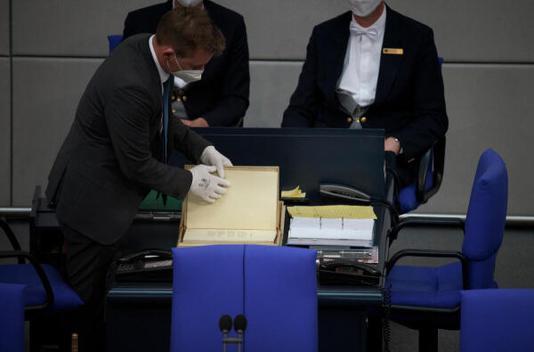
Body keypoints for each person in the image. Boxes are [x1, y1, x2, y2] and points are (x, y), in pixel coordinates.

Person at [45, 8, 231, 351]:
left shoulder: (142, 49)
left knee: (103, 307)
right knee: (85, 311)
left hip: (108, 195)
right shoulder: (129, 84)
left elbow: (164, 121)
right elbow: (135, 164)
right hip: (92, 208)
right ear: (170, 54)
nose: (202, 72)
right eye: (198, 65)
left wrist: (204, 150)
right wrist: (190, 183)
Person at [282, 0, 448, 186]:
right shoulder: (324, 35)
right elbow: (300, 108)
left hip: (386, 158)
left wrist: (396, 142)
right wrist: (300, 148)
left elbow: (434, 117)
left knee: (368, 194)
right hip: (326, 153)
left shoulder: (416, 37)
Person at [123, 0, 250, 127]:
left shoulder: (231, 23)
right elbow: (128, 88)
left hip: (206, 130)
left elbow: (236, 98)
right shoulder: (139, 21)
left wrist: (202, 124)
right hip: (151, 127)